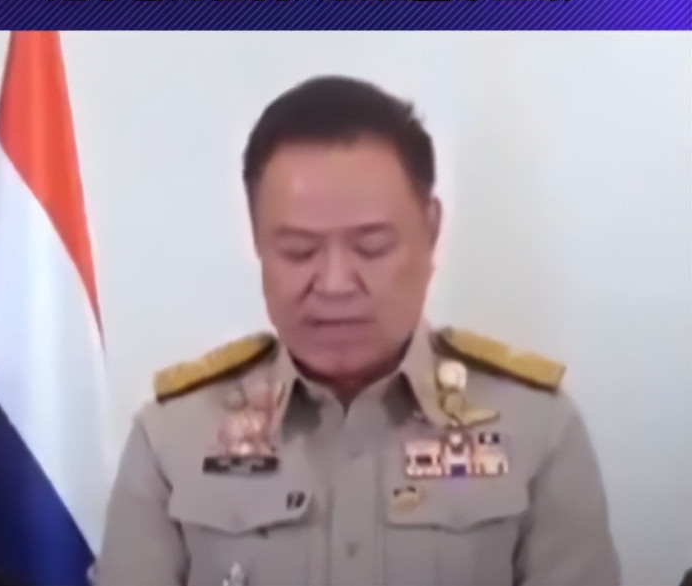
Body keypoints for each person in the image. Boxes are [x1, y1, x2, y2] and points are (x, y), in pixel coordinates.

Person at [96, 76, 621, 586]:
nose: (335, 284)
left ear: (431, 230)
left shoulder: (537, 429)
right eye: (298, 251)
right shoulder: (174, 437)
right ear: (257, 241)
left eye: (372, 247)